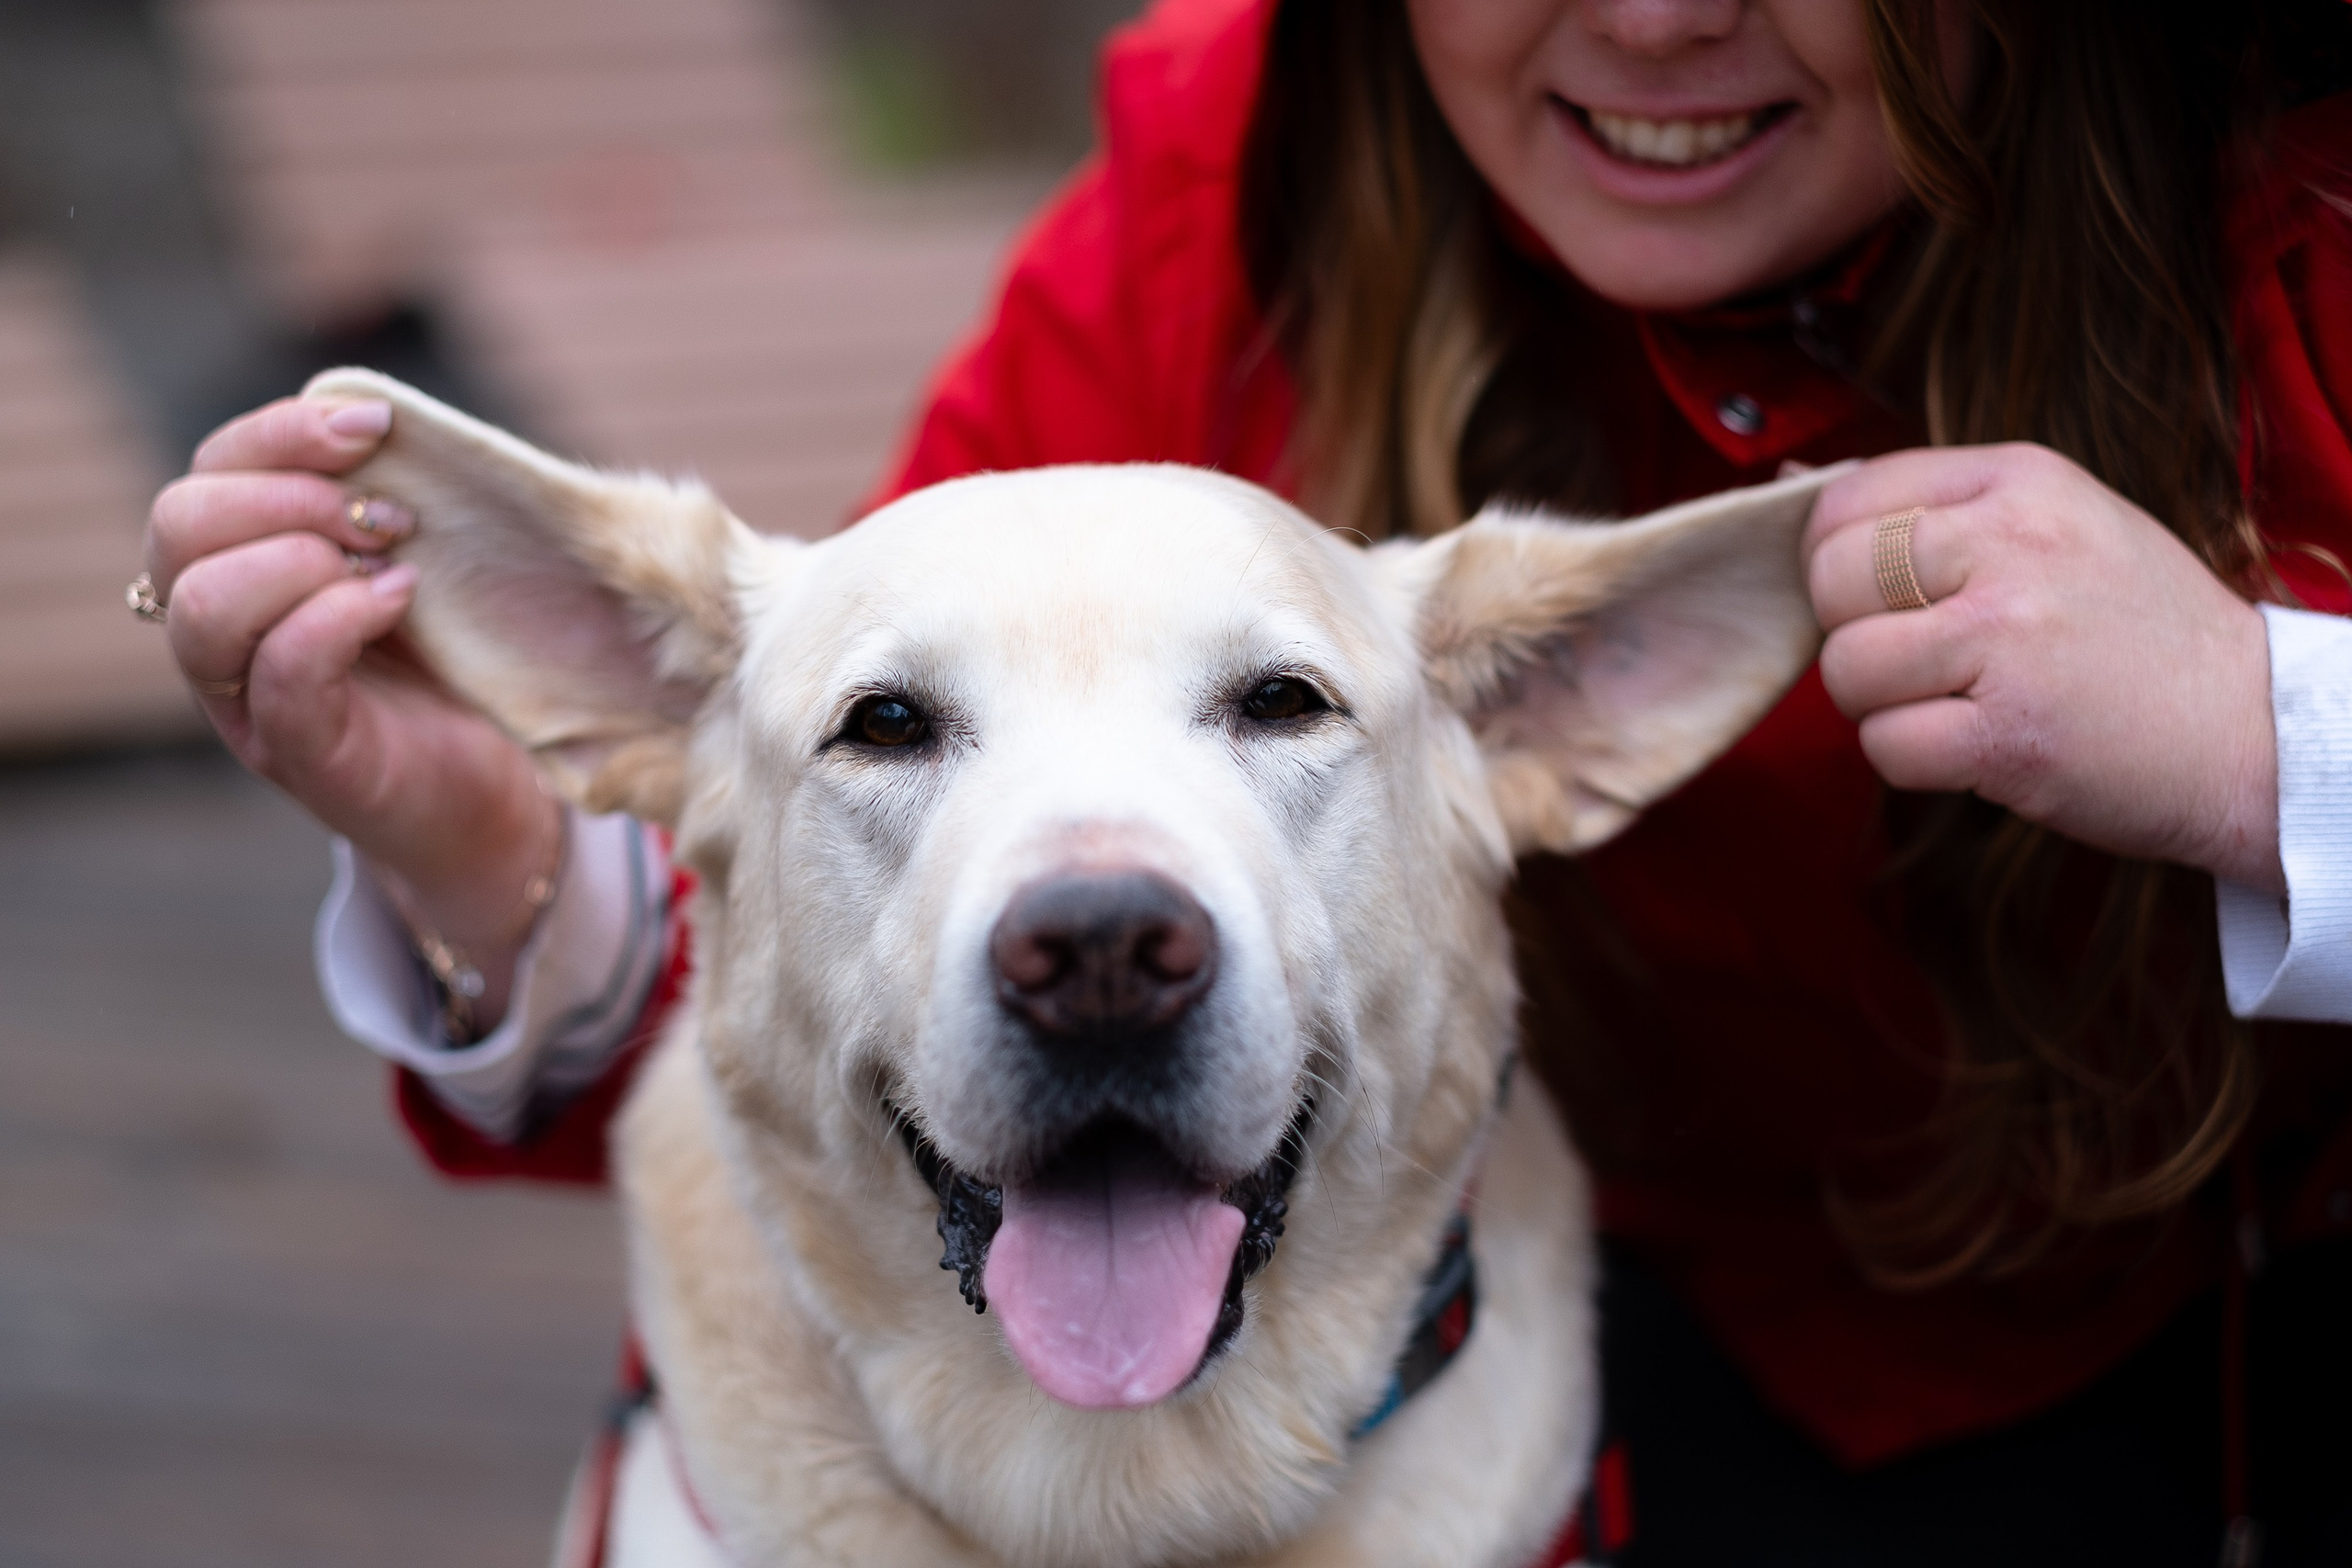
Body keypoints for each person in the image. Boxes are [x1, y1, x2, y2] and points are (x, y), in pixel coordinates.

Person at [139, 1, 2352, 1562]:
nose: (1660, 15)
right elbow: (843, 884)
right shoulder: (1226, 177)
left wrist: (2273, 737)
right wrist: (487, 842)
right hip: (1660, 1338)